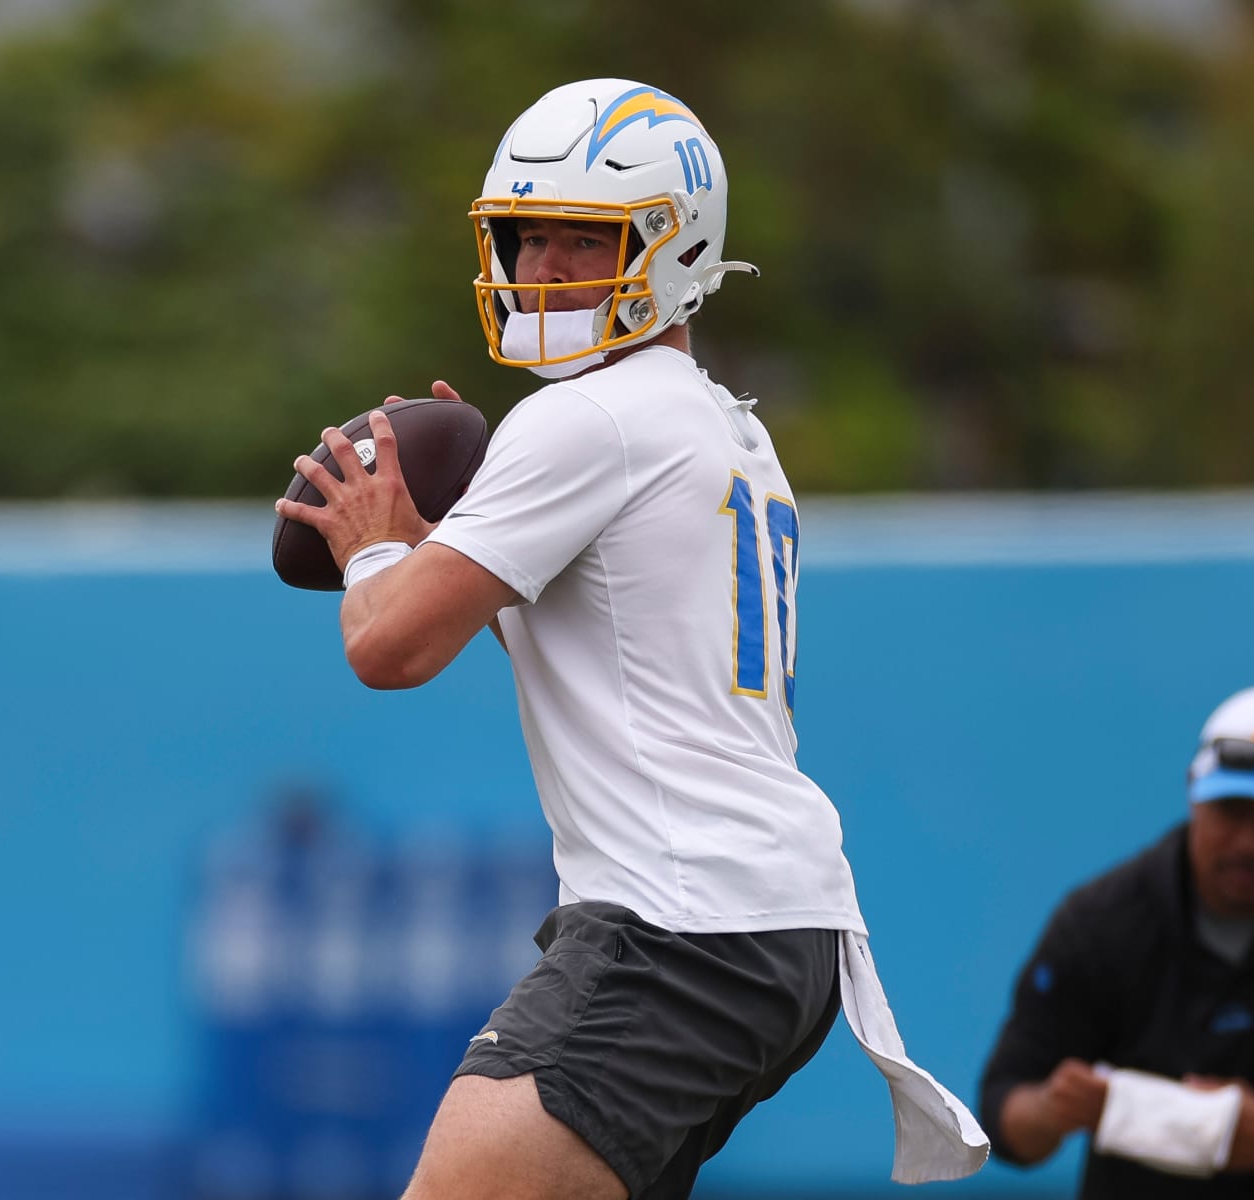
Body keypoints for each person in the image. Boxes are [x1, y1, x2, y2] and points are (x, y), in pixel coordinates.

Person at [275, 78, 985, 1199]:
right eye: (529, 239)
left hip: (678, 920)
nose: (546, 270)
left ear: (674, 246)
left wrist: (373, 547)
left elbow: (388, 651)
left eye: (582, 240)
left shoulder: (585, 416)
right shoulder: (723, 424)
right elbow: (593, 649)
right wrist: (451, 540)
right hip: (771, 925)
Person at [979, 682, 1254, 1198]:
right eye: (1231, 811)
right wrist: (1052, 1109)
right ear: (1194, 793)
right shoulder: (1100, 921)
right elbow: (1001, 1111)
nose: (1249, 842)